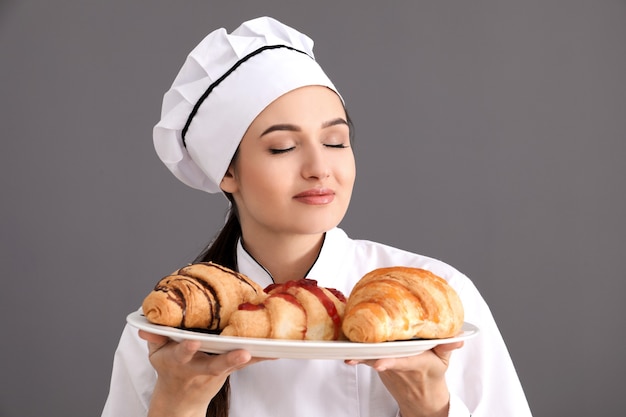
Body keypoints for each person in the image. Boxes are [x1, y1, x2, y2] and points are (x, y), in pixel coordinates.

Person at [101, 16, 532, 417]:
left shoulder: (437, 301)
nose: (319, 168)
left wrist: (432, 407)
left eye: (336, 141)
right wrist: (176, 404)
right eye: (283, 147)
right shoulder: (169, 328)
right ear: (227, 171)